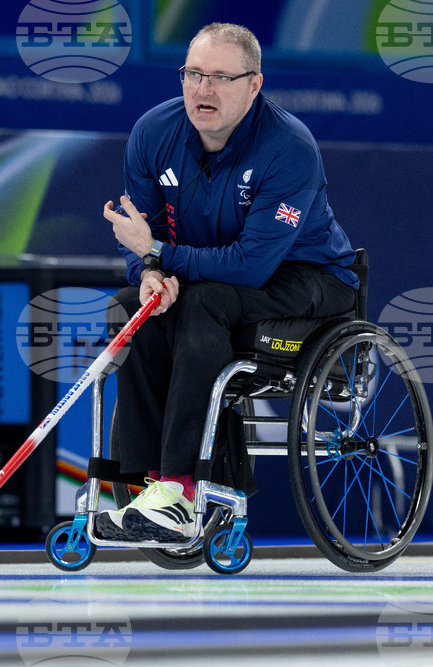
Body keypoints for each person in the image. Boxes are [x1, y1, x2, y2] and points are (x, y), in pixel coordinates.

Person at [96, 23, 360, 542]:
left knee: (204, 305)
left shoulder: (289, 148)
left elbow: (251, 266)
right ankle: (151, 488)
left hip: (308, 280)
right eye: (193, 74)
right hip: (207, 276)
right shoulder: (153, 134)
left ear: (254, 85)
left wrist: (160, 254)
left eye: (220, 77)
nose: (203, 90)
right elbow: (141, 243)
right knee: (132, 308)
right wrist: (151, 275)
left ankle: (182, 487)